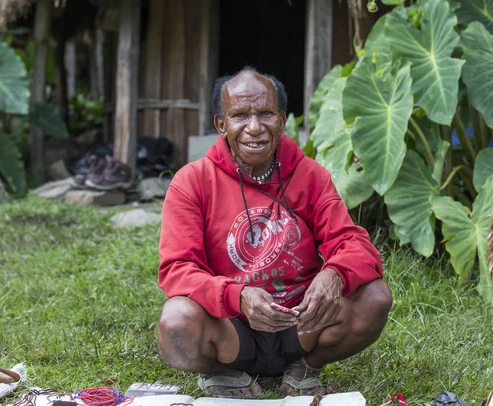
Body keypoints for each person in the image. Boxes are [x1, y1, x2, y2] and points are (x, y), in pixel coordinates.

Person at [156, 67, 392, 398]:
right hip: (230, 329)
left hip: (301, 323)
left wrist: (335, 275)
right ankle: (222, 372)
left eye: (265, 113)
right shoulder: (192, 182)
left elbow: (353, 244)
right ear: (221, 124)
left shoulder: (310, 175)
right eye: (240, 115)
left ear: (281, 120)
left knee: (375, 298)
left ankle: (307, 365)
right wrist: (237, 296)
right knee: (176, 322)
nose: (254, 127)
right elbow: (177, 270)